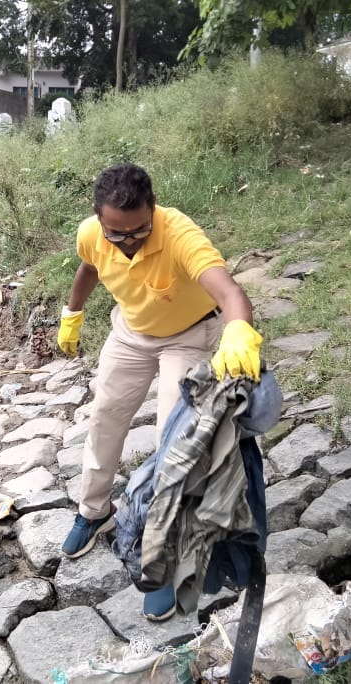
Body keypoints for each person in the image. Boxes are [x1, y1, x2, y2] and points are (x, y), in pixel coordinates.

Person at [56, 162, 262, 621]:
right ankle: (94, 511)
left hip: (188, 336)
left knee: (175, 445)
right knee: (104, 418)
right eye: (117, 233)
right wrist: (73, 313)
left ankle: (167, 556)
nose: (128, 241)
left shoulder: (180, 234)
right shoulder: (92, 234)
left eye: (139, 231)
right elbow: (89, 267)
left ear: (153, 209)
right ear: (99, 218)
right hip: (131, 334)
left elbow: (230, 292)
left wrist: (239, 331)